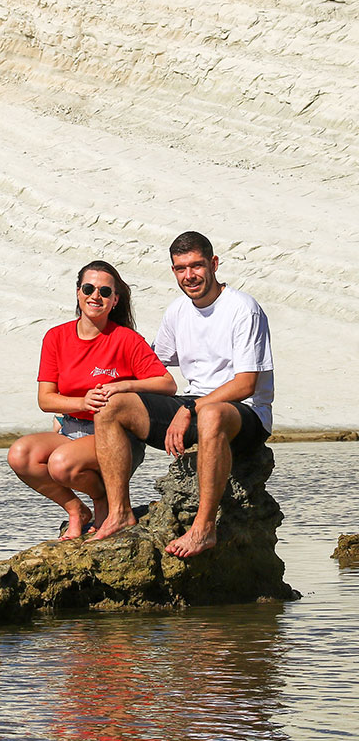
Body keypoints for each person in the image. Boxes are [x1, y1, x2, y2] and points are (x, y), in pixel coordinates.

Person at [93, 232, 274, 557]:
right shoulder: (178, 311)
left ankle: (204, 529)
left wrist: (190, 408)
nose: (189, 275)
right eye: (180, 268)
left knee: (212, 413)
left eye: (196, 266)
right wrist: (105, 381)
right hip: (193, 405)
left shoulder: (243, 309)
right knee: (113, 406)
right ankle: (119, 513)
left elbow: (246, 384)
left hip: (244, 413)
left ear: (213, 264)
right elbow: (151, 361)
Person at [6, 260, 177, 539]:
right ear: (78, 293)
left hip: (115, 438)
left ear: (115, 300)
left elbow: (167, 384)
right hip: (73, 429)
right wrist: (82, 403)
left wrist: (125, 386)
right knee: (20, 455)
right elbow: (46, 399)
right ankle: (77, 511)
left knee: (60, 463)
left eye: (105, 292)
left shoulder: (127, 339)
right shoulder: (56, 337)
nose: (95, 296)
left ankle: (105, 502)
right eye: (89, 288)